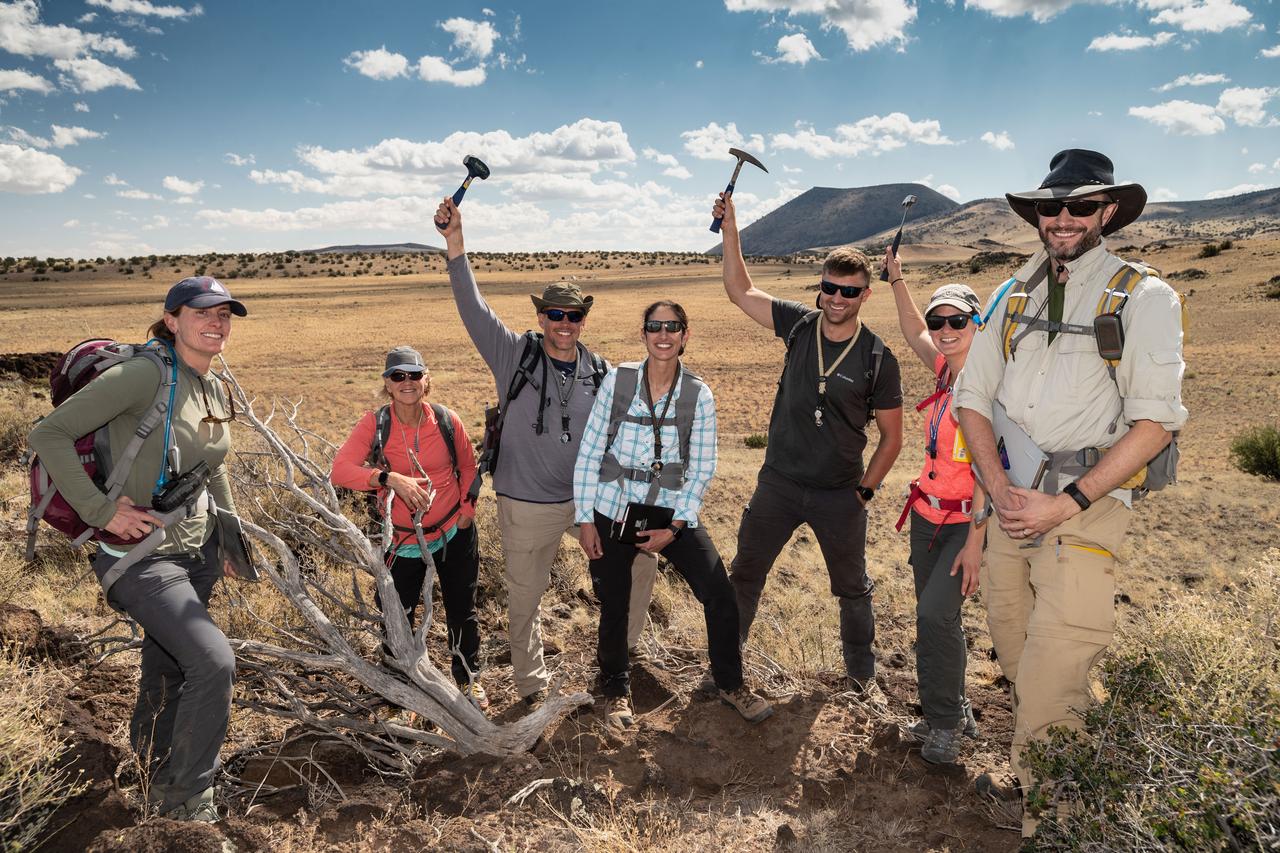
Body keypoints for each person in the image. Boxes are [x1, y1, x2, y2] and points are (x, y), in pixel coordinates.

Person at [953, 149, 1187, 837]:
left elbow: (1155, 424)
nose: (1062, 218)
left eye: (1079, 206)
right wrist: (996, 489)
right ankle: (1061, 793)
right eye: (1050, 207)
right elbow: (973, 397)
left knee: (1055, 682)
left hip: (1081, 517)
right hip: (1010, 513)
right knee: (1022, 663)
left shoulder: (1142, 296)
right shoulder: (1015, 293)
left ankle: (1055, 829)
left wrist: (1064, 502)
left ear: (1106, 211)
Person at [28, 276, 247, 822]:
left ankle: (153, 770)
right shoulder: (144, 375)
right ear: (172, 320)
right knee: (213, 661)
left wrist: (229, 533)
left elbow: (212, 467)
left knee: (168, 664)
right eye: (203, 313)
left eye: (225, 314)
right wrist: (103, 511)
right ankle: (189, 803)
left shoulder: (209, 386)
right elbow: (49, 434)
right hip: (140, 556)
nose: (217, 323)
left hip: (195, 553)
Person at [435, 198, 657, 707]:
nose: (564, 323)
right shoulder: (513, 354)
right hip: (525, 502)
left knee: (642, 561)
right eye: (555, 314)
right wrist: (456, 243)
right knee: (524, 599)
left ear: (583, 320)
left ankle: (621, 658)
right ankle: (532, 689)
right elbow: (473, 307)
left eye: (573, 315)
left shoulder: (600, 372)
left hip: (589, 503)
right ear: (541, 316)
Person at [713, 193, 904, 693]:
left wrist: (863, 493)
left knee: (852, 589)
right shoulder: (798, 325)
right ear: (819, 288)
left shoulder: (878, 359)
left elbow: (892, 438)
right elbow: (740, 289)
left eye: (849, 291)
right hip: (778, 483)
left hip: (840, 494)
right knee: (746, 575)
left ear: (866, 295)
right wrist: (731, 229)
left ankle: (862, 678)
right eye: (829, 288)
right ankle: (726, 670)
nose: (837, 299)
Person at [573, 301, 773, 730]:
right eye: (654, 326)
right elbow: (590, 451)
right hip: (613, 506)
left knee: (718, 593)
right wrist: (585, 518)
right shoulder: (618, 381)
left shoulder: (698, 394)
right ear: (643, 333)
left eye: (672, 327)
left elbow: (702, 467)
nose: (663, 335)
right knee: (614, 601)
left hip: (672, 512)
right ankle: (615, 687)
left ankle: (729, 683)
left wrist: (677, 526)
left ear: (686, 335)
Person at [330, 346, 485, 709]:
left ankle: (469, 680)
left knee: (463, 610)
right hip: (401, 542)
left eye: (414, 375)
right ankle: (399, 693)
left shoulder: (446, 420)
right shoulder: (375, 423)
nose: (407, 383)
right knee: (397, 617)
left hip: (452, 532)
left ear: (425, 380)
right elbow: (340, 469)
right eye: (398, 376)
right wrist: (388, 478)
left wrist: (466, 512)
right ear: (387, 383)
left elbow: (469, 468)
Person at [884, 260, 986, 765]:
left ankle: (944, 724)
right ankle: (954, 706)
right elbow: (912, 331)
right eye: (939, 321)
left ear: (977, 324)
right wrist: (898, 279)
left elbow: (993, 470)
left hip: (966, 523)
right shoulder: (947, 371)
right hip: (926, 517)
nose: (945, 331)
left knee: (932, 615)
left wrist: (976, 542)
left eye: (957, 321)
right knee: (939, 621)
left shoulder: (991, 386)